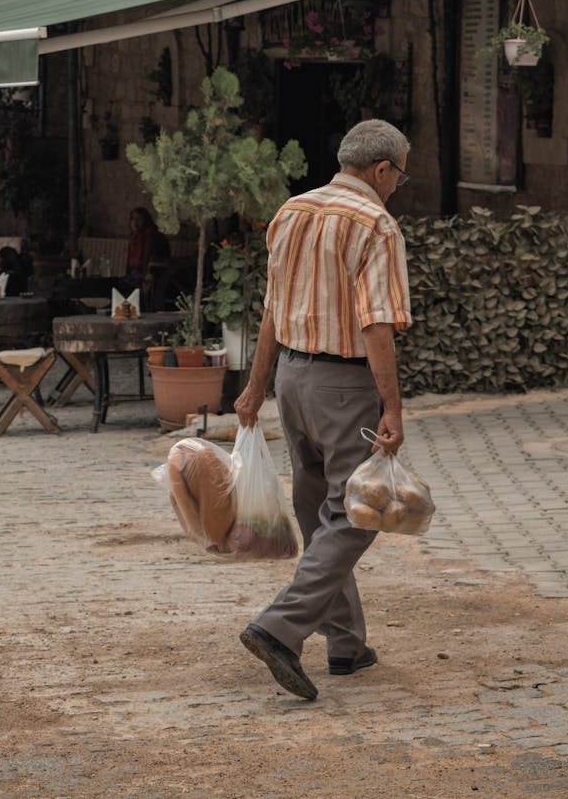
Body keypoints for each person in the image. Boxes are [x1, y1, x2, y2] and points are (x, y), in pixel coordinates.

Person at [234, 119, 412, 702]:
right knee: (361, 512)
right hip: (344, 386)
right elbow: (376, 322)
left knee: (318, 509)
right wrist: (392, 404)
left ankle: (346, 645)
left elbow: (270, 310)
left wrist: (255, 388)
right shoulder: (375, 224)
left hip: (291, 378)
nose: (397, 186)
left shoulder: (292, 211)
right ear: (382, 169)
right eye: (400, 176)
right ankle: (280, 628)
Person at [122, 207, 170, 302]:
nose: (135, 222)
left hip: (153, 274)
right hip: (135, 274)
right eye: (132, 219)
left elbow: (154, 259)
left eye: (139, 219)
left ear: (146, 220)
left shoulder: (152, 236)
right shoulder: (134, 238)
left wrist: (145, 275)